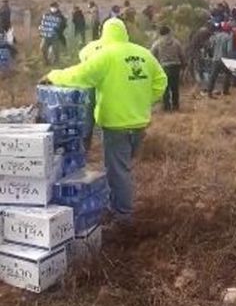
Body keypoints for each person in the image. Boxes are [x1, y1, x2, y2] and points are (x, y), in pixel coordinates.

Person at [42, 18, 167, 225]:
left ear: (104, 33)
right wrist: (144, 99)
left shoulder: (106, 55)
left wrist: (53, 75)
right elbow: (161, 81)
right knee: (124, 167)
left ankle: (123, 216)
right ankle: (116, 204)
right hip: (139, 123)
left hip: (116, 125)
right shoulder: (144, 54)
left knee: (119, 171)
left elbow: (79, 74)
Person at [150, 25, 186, 112]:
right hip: (175, 67)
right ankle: (176, 105)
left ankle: (167, 107)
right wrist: (183, 65)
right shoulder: (176, 42)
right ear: (169, 32)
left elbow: (151, 55)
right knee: (175, 87)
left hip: (164, 67)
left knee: (165, 88)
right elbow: (182, 54)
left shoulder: (157, 43)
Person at [204, 27, 234, 96]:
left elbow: (210, 47)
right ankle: (225, 91)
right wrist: (230, 59)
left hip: (215, 59)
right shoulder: (228, 37)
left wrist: (211, 55)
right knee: (228, 73)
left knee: (213, 76)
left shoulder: (215, 37)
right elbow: (229, 50)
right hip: (224, 60)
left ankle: (209, 91)